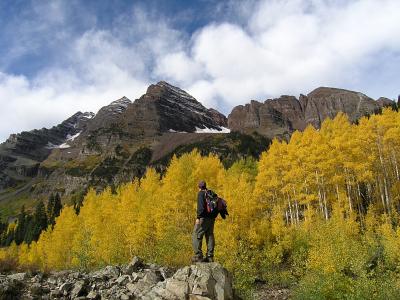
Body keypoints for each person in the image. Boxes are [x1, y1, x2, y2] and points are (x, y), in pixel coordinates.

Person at [191, 180, 216, 263]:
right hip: (211, 219)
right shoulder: (211, 193)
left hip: (203, 218)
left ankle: (198, 255)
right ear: (205, 186)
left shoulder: (201, 194)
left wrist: (198, 218)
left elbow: (201, 207)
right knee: (209, 235)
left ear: (199, 187)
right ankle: (210, 256)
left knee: (196, 234)